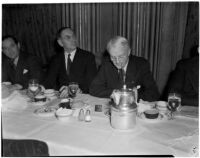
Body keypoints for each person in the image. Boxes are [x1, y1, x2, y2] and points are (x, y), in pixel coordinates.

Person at [89, 36, 160, 101]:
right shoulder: (106, 64)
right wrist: (114, 93)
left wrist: (131, 96)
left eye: (120, 57)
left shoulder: (141, 64)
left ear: (128, 52)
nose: (117, 61)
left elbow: (154, 93)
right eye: (113, 57)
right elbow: (93, 88)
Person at [43, 27, 97, 97]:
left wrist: (78, 90)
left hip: (82, 97)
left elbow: (92, 83)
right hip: (62, 97)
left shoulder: (88, 57)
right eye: (68, 38)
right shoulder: (56, 59)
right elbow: (49, 81)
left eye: (73, 36)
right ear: (60, 42)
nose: (73, 40)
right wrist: (40, 88)